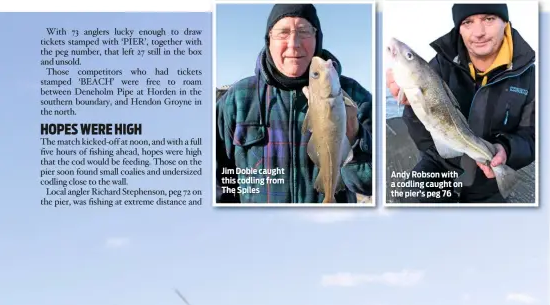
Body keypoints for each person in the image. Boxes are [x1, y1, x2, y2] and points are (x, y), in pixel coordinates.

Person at [217, 3, 373, 204]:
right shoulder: (237, 99)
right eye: (282, 33)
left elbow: (369, 184)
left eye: (303, 31)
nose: (293, 43)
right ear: (268, 40)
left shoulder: (355, 97)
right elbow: (218, 182)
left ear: (317, 37)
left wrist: (355, 139)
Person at [386, 3, 535, 203]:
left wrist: (506, 149)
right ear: (459, 28)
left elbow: (533, 136)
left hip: (487, 181)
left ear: (505, 21)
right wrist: (410, 105)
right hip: (439, 166)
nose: (478, 32)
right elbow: (424, 140)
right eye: (467, 22)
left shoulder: (529, 76)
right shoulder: (438, 65)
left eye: (489, 19)